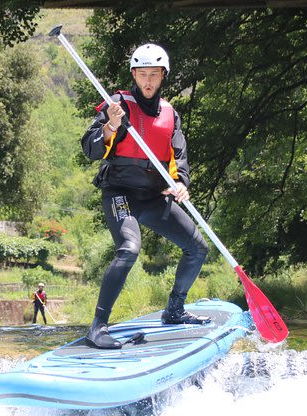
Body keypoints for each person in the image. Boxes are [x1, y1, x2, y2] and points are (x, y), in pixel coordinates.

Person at [80, 43, 210, 350]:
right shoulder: (116, 104)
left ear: (163, 76)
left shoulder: (170, 115)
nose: (147, 81)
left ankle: (175, 310)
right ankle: (97, 328)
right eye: (141, 75)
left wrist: (180, 183)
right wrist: (111, 125)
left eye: (153, 74)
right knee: (128, 249)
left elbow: (179, 158)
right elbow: (90, 148)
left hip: (153, 196)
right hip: (120, 193)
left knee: (197, 248)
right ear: (133, 75)